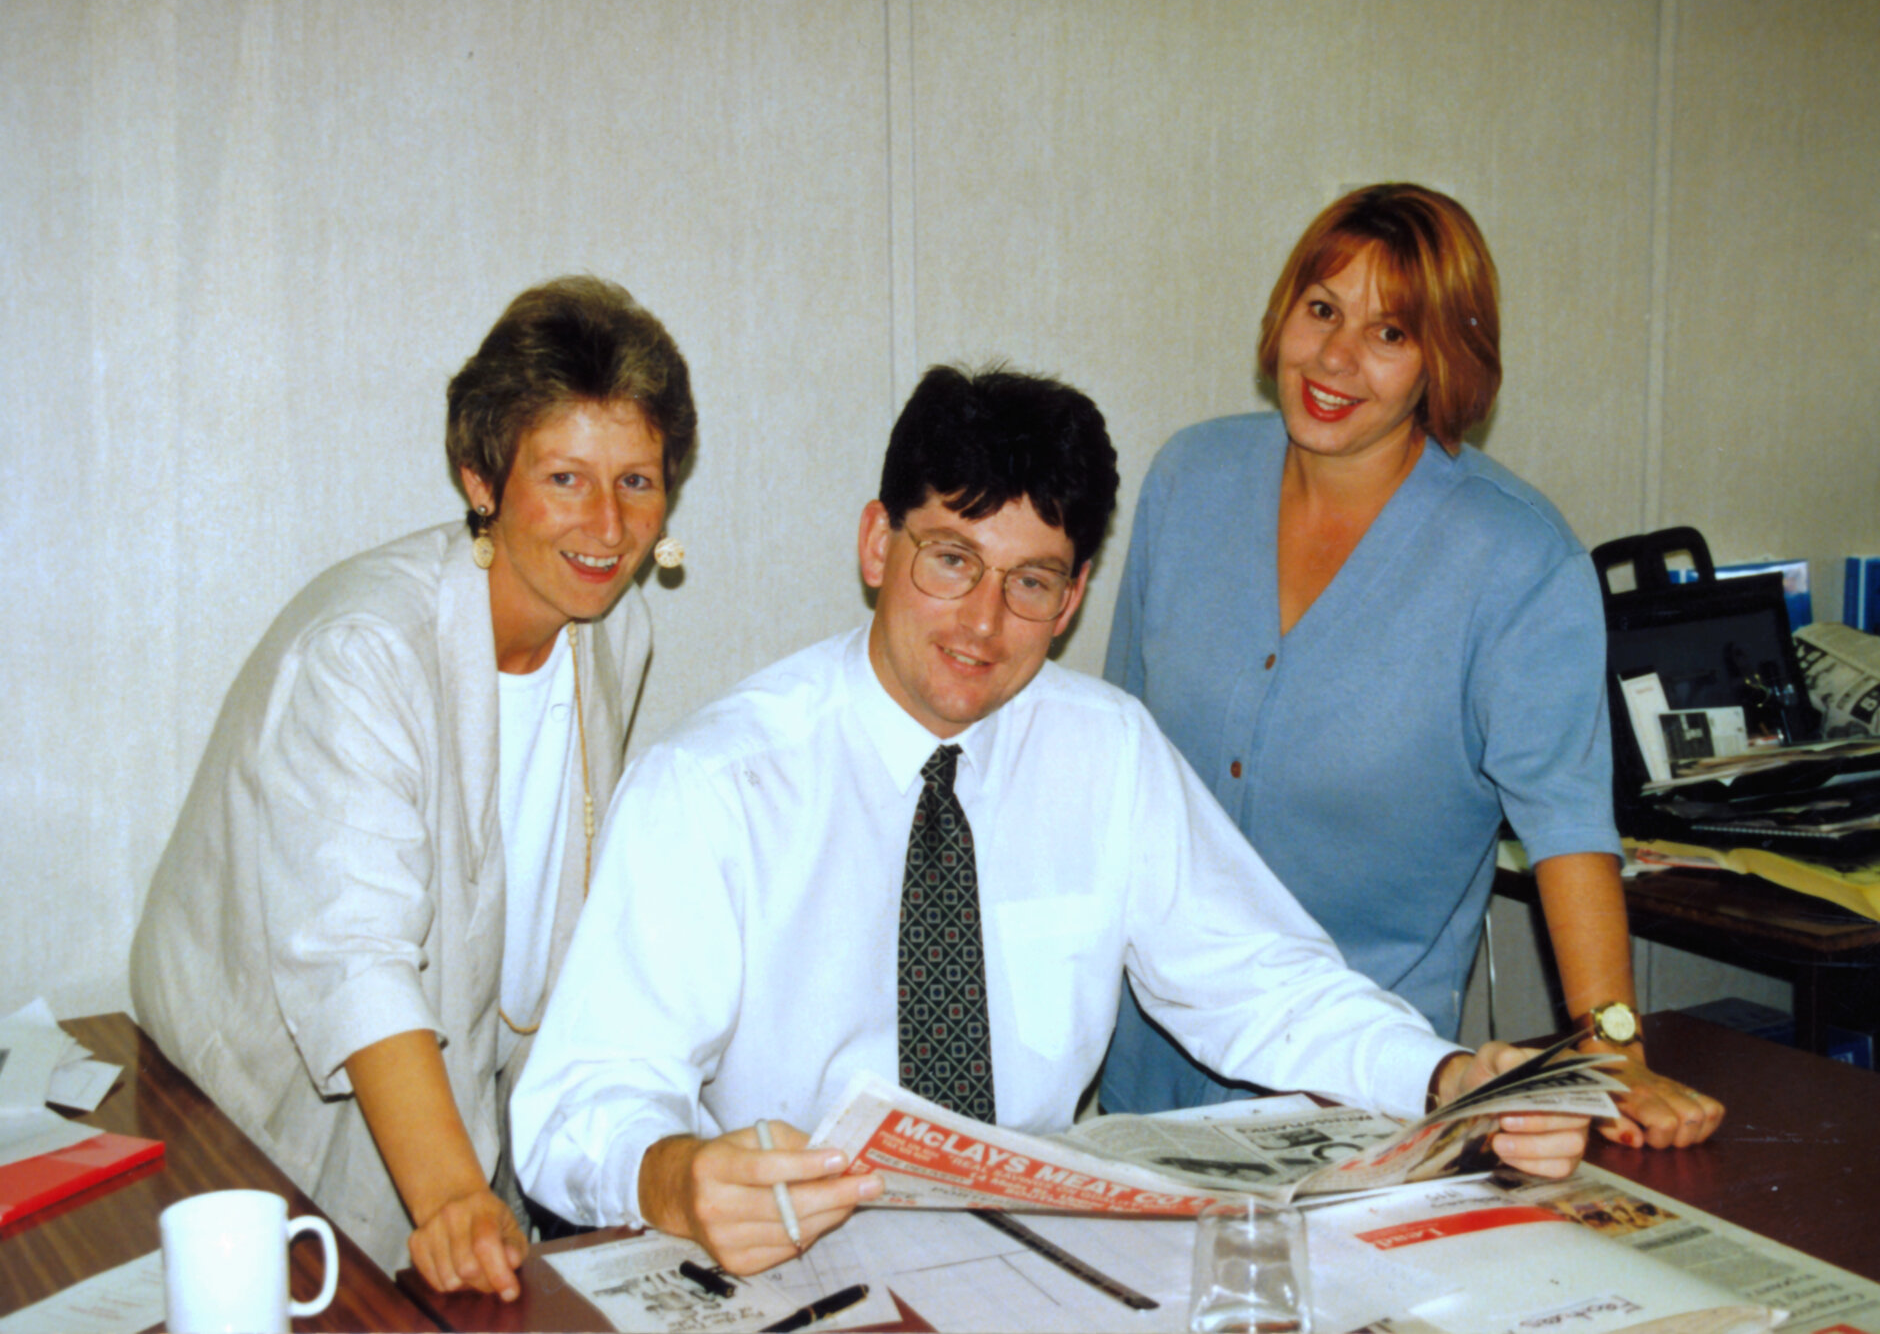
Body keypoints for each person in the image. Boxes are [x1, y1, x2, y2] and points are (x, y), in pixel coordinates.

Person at [510, 363, 1592, 1276]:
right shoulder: (719, 781)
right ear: (877, 545)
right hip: (799, 1260)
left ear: (1073, 601)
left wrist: (1444, 1077)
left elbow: (1257, 979)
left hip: (1034, 1262)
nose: (982, 623)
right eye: (950, 560)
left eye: (1031, 582)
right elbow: (581, 1098)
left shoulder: (1104, 750)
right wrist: (674, 1177)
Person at [1093, 183, 1724, 1149]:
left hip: (1370, 1095)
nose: (1336, 358)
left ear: (1445, 361)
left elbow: (1566, 828)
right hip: (1149, 1072)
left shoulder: (1514, 557)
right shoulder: (1189, 478)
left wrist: (1614, 1048)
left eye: (1390, 333)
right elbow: (1114, 756)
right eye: (1321, 309)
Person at [129, 276, 695, 1299]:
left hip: (453, 1103)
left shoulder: (614, 629)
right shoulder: (367, 650)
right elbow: (358, 957)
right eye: (565, 477)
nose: (609, 526)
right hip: (242, 1119)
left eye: (639, 481)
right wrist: (448, 1193)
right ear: (482, 477)